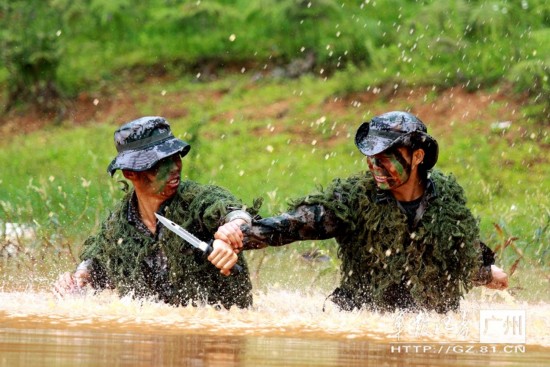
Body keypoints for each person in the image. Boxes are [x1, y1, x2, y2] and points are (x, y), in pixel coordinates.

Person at [216, 111, 508, 314]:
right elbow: (293, 225)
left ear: (417, 156)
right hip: (365, 320)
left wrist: (485, 273)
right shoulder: (354, 199)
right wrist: (237, 234)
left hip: (431, 324)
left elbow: (458, 256)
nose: (376, 168)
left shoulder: (446, 198)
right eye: (372, 159)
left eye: (386, 159)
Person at [54, 116, 259, 309]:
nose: (173, 168)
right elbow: (98, 261)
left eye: (175, 157)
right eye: (159, 164)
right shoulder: (119, 224)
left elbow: (230, 210)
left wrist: (232, 230)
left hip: (220, 331)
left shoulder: (196, 200)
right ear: (130, 173)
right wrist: (77, 279)